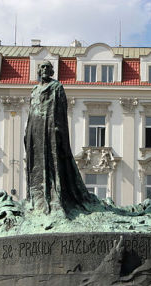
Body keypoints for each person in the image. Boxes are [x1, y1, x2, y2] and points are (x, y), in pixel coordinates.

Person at [24, 60, 97, 215]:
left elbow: (61, 111)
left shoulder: (57, 87)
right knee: (35, 164)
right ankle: (36, 197)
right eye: (42, 67)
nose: (44, 69)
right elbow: (31, 111)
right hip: (35, 128)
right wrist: (27, 131)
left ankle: (53, 197)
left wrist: (59, 130)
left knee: (52, 162)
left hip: (49, 128)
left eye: (48, 67)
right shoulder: (34, 90)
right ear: (38, 70)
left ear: (52, 72)